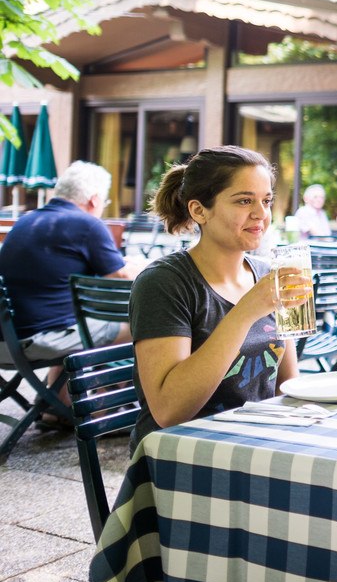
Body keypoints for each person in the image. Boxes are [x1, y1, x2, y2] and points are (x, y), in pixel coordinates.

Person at [128, 146, 308, 453]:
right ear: (199, 211)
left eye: (266, 201)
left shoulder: (266, 275)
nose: (261, 214)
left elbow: (286, 386)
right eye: (244, 200)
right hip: (181, 455)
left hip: (256, 445)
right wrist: (245, 311)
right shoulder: (164, 282)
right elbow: (169, 411)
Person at [0, 162, 142, 406]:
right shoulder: (86, 224)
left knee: (76, 322)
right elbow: (120, 279)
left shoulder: (27, 221)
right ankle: (124, 405)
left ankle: (56, 408)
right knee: (144, 324)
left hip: (7, 340)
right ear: (95, 200)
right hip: (38, 341)